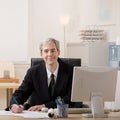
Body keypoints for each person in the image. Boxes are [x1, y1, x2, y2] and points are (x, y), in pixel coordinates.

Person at [6, 38, 74, 113]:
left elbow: (70, 99)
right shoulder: (33, 72)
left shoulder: (70, 71)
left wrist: (46, 106)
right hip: (37, 115)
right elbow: (21, 93)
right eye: (46, 51)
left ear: (58, 52)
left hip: (62, 115)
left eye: (53, 50)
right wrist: (14, 105)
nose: (49, 54)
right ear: (41, 54)